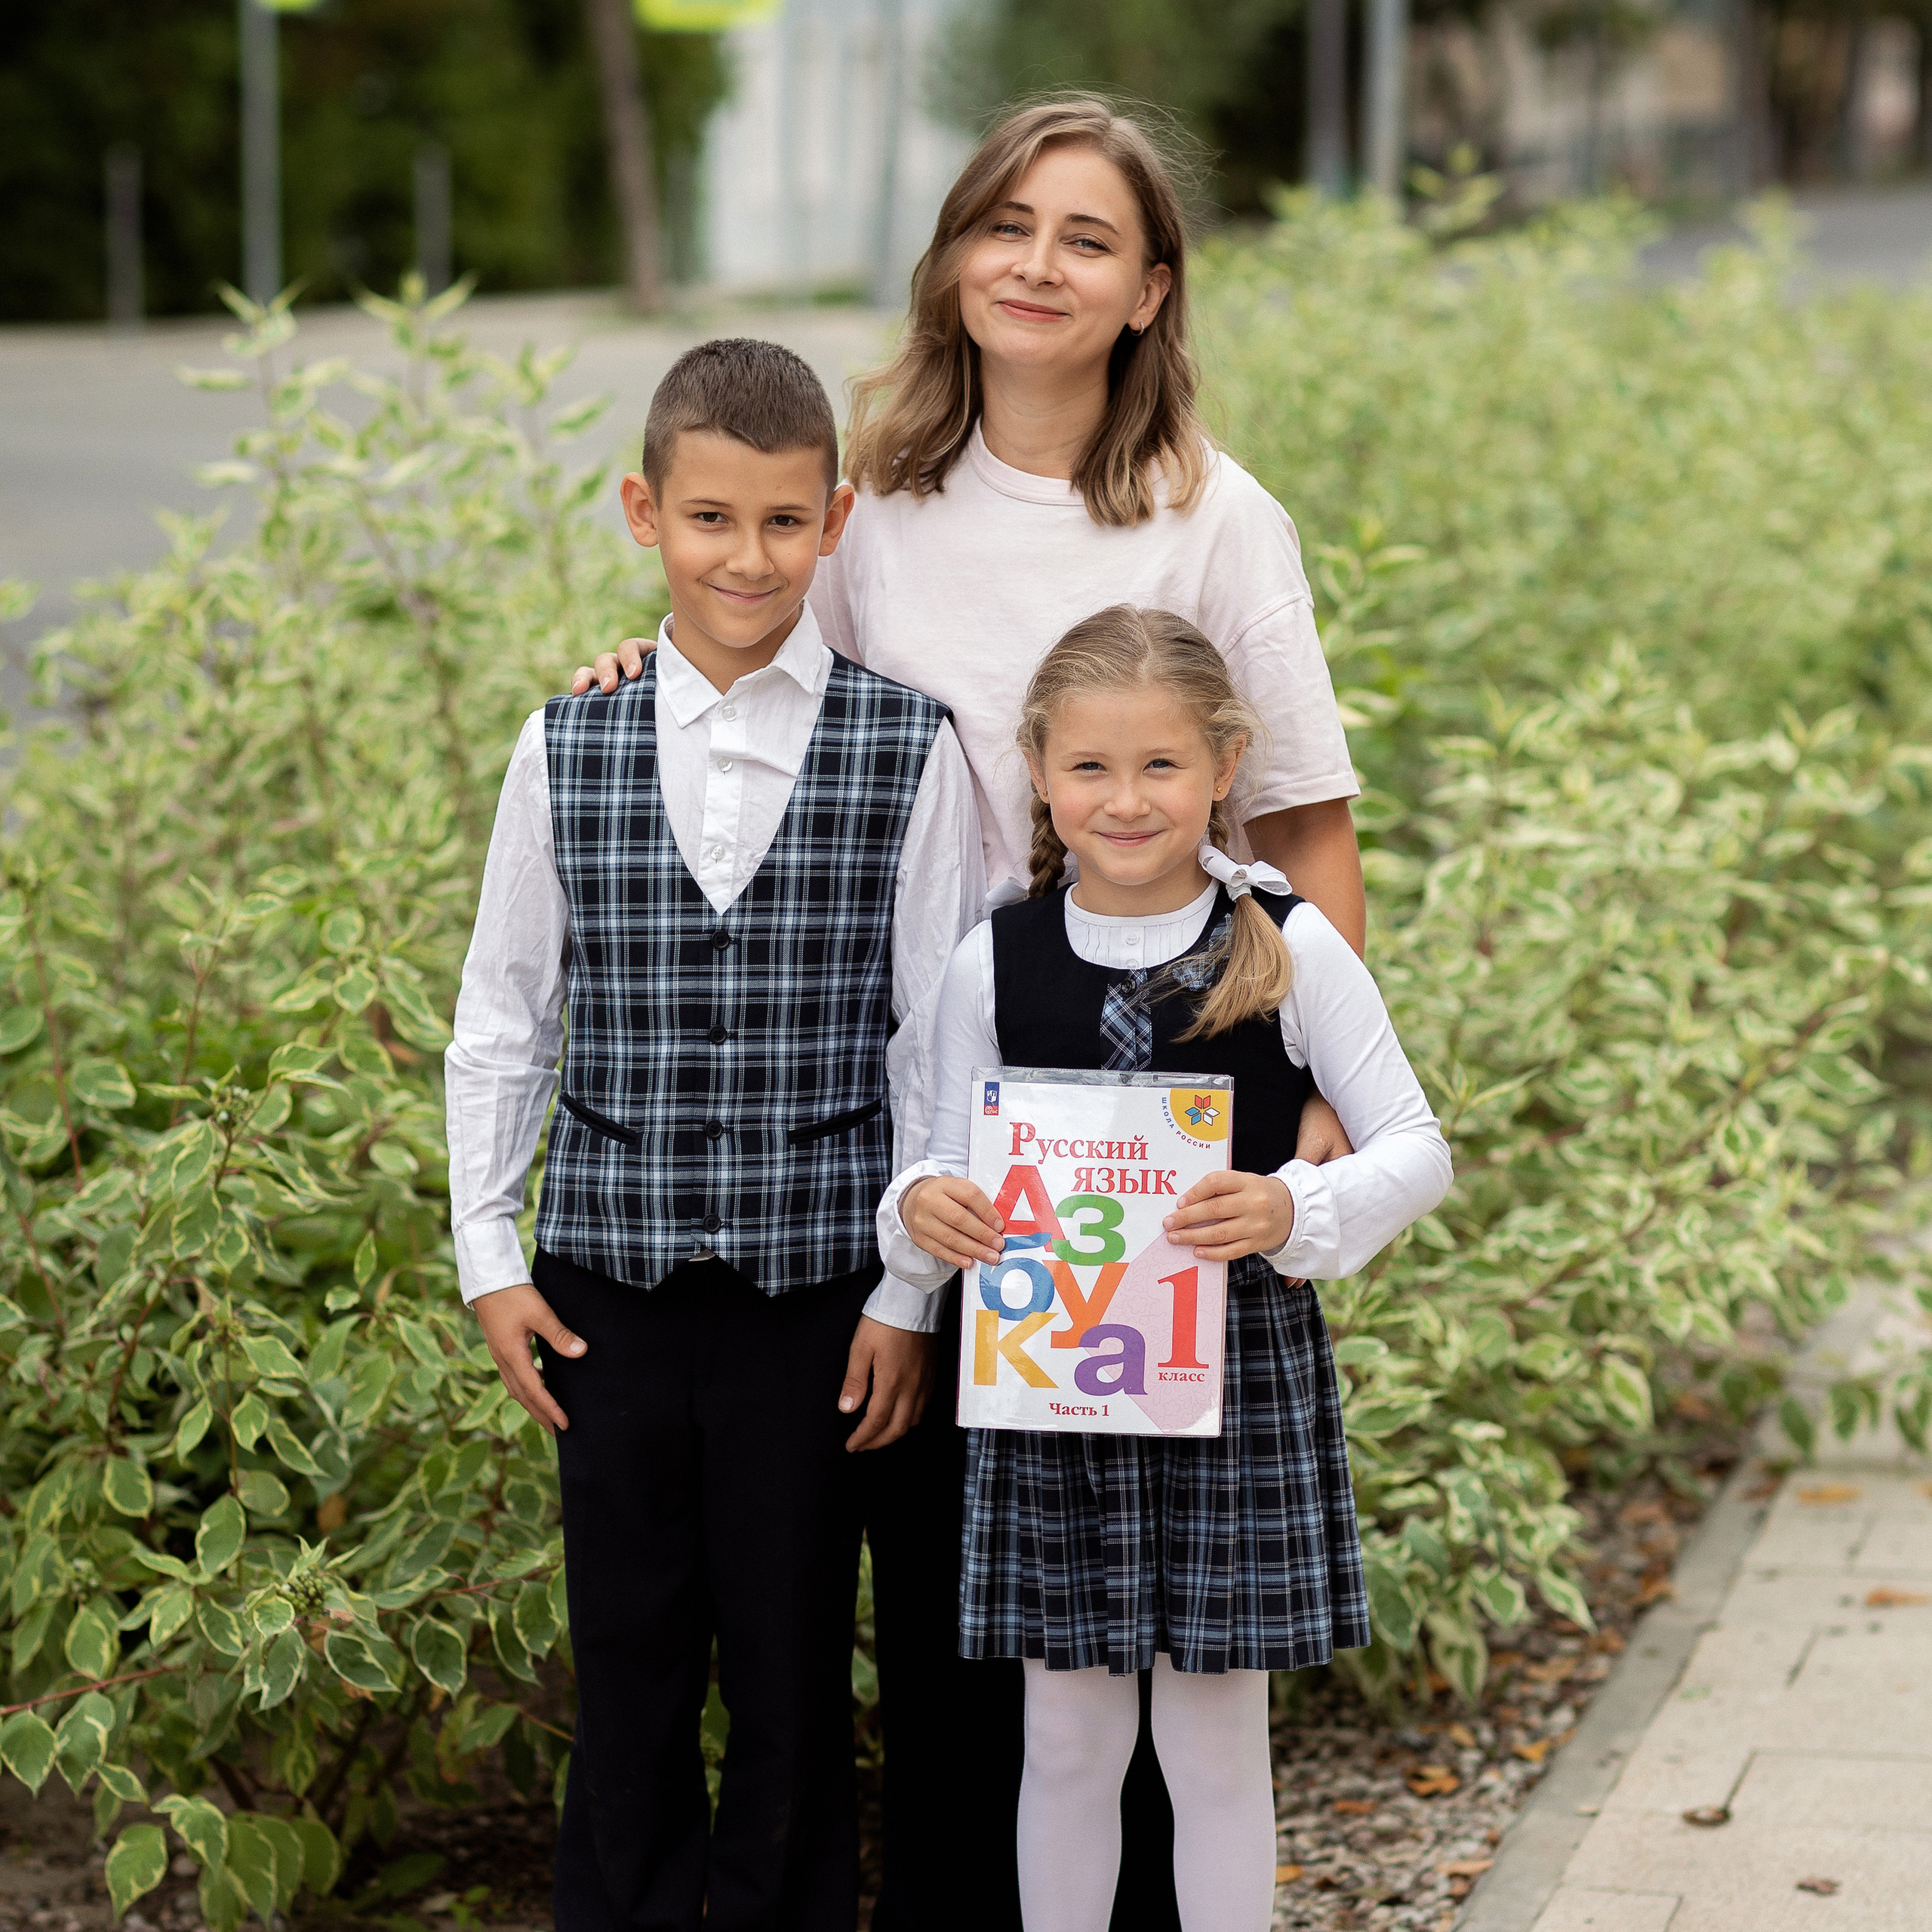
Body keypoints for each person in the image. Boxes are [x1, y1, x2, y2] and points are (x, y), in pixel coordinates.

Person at [572, 98, 1366, 1931]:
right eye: (1004, 223)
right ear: (950, 258)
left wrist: (1315, 1094)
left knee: (1147, 1602)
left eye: (1085, 236)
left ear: (1149, 289)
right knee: (961, 1588)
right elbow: (748, 644)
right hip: (930, 1102)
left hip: (1159, 1110)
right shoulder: (879, 497)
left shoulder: (1218, 519)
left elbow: (1307, 819)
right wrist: (634, 661)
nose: (1036, 262)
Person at [445, 338, 982, 1932]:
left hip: (815, 1299)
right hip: (603, 1287)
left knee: (793, 1656)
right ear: (641, 513)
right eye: (706, 520)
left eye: (777, 523)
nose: (742, 559)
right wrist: (487, 1256)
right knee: (624, 1654)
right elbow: (505, 1014)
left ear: (830, 522)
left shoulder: (910, 744)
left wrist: (901, 1296)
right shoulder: (565, 741)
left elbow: (935, 1048)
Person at [884, 607, 1452, 1930]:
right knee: (1070, 1743)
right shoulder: (996, 960)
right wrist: (932, 1208)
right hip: (1052, 1390)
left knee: (1210, 1747)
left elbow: (1417, 1148)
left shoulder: (1288, 944)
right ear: (1036, 768)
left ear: (1224, 766)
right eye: (1090, 767)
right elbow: (929, 1162)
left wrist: (1290, 1206)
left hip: (1235, 1377)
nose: (1125, 799)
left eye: (1160, 767)